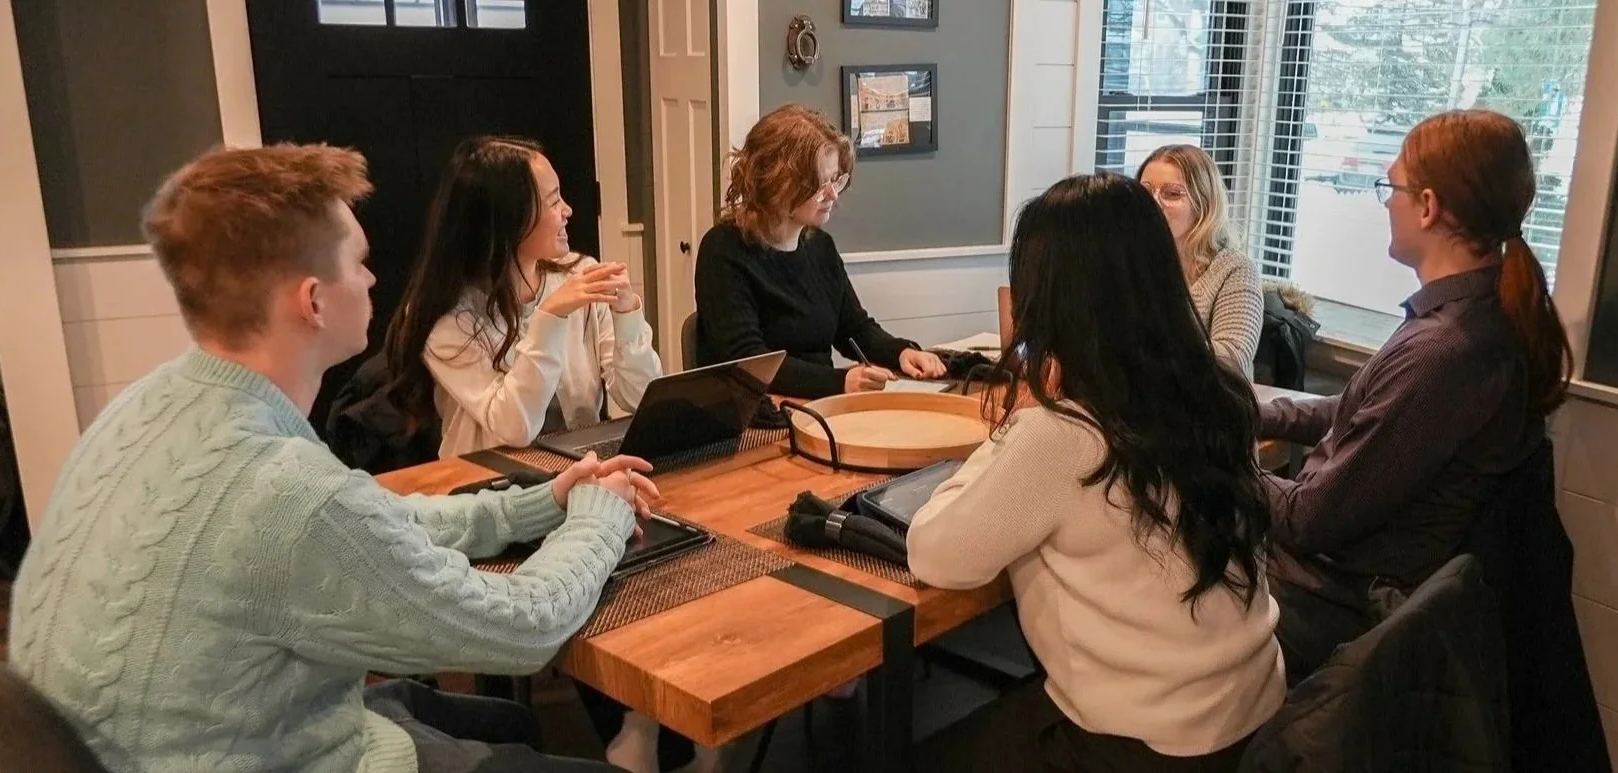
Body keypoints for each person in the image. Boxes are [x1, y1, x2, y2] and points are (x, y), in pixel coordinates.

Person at [9, 144, 661, 773]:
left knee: (508, 726)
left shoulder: (151, 402)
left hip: (193, 732)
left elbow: (363, 522)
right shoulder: (287, 488)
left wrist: (538, 502)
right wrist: (599, 515)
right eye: (360, 262)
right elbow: (525, 627)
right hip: (271, 752)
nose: (375, 278)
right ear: (313, 300)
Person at [908, 173, 1285, 772]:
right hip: (1252, 714)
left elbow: (935, 553)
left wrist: (1018, 421)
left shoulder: (1062, 434)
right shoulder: (1219, 396)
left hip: (1145, 744)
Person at [1258, 109, 1572, 681]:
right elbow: (1355, 410)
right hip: (1329, 583)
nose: (1386, 202)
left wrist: (1197, 450)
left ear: (1428, 206)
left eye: (1391, 187)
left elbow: (1307, 520)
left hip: (1329, 608)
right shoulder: (1470, 318)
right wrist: (1252, 411)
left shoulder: (1444, 351)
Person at [380, 136, 661, 458]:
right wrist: (549, 318)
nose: (567, 210)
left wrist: (626, 316)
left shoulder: (579, 275)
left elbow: (639, 397)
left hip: (582, 468)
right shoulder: (447, 316)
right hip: (490, 484)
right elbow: (515, 427)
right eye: (553, 201)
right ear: (508, 218)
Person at [693, 103, 947, 398]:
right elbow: (751, 362)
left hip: (819, 405)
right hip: (759, 414)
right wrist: (839, 383)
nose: (833, 194)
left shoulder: (820, 246)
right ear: (776, 181)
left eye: (836, 179)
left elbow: (854, 328)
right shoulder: (723, 250)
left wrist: (899, 352)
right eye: (819, 183)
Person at [1138, 144, 1263, 376]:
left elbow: (1232, 360)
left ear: (1204, 204)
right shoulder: (1128, 260)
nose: (1153, 203)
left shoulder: (1235, 269)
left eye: (1172, 193)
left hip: (1207, 405)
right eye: (1145, 193)